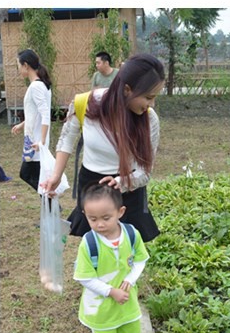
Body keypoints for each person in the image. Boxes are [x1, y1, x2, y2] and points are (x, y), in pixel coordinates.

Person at [41, 53, 164, 242]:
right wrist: (56, 175)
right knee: (94, 248)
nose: (151, 104)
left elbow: (145, 171)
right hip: (91, 186)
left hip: (128, 187)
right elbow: (67, 139)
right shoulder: (85, 104)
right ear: (127, 89)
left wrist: (122, 182)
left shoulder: (149, 119)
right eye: (148, 97)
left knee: (125, 253)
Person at [73, 184, 149, 333]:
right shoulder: (89, 244)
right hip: (101, 309)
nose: (99, 224)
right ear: (85, 215)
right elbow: (84, 277)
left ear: (120, 212)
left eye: (106, 218)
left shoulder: (131, 234)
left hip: (127, 303)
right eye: (92, 219)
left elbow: (141, 260)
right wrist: (110, 291)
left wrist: (131, 279)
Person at [11, 50, 52, 192]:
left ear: (26, 66)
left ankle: (52, 203)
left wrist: (42, 141)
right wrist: (22, 125)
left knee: (27, 174)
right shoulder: (39, 85)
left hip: (36, 143)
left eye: (18, 66)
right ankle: (50, 204)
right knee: (35, 176)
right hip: (33, 140)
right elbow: (36, 113)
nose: (18, 69)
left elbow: (45, 114)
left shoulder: (36, 86)